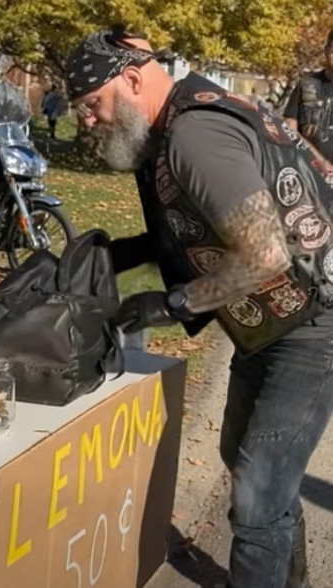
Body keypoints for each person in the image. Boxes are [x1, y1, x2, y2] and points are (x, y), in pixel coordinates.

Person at [66, 26, 333, 588]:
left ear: (133, 79)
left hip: (314, 323)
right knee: (249, 468)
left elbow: (264, 255)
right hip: (268, 321)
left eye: (91, 104)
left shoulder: (194, 135)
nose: (85, 121)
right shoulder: (176, 126)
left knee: (259, 495)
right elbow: (193, 229)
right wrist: (117, 256)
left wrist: (168, 304)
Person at [284, 30, 333, 168]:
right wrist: (320, 161)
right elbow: (289, 129)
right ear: (326, 51)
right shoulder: (306, 85)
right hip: (310, 172)